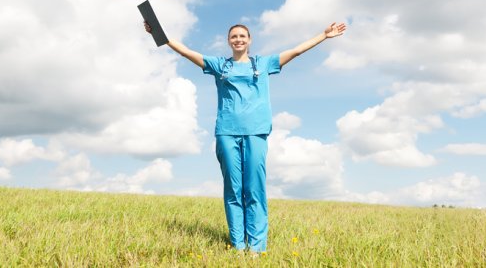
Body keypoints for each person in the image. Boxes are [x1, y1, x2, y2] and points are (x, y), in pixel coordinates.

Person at [144, 20, 347, 253]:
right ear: (229, 42)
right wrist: (160, 35)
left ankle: (257, 248)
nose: (238, 39)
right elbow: (187, 52)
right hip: (226, 133)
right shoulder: (219, 65)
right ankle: (238, 245)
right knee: (233, 189)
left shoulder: (263, 63)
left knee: (254, 189)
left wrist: (323, 35)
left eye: (242, 36)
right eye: (234, 37)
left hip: (256, 132)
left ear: (249, 40)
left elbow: (296, 51)